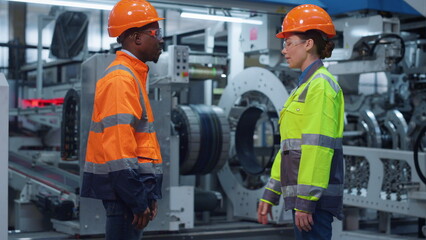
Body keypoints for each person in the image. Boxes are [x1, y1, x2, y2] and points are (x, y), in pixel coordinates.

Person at [257, 4, 344, 240]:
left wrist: (306, 201)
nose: (284, 51)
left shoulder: (321, 86)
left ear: (308, 44)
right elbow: (289, 146)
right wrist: (270, 192)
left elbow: (317, 148)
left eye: (288, 43)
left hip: (315, 201)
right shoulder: (304, 87)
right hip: (305, 198)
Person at [80, 0, 164, 239]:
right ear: (137, 38)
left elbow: (137, 145)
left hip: (131, 192)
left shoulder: (132, 76)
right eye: (156, 33)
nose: (161, 40)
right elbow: (118, 150)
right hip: (125, 195)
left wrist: (148, 194)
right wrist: (137, 198)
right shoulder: (121, 79)